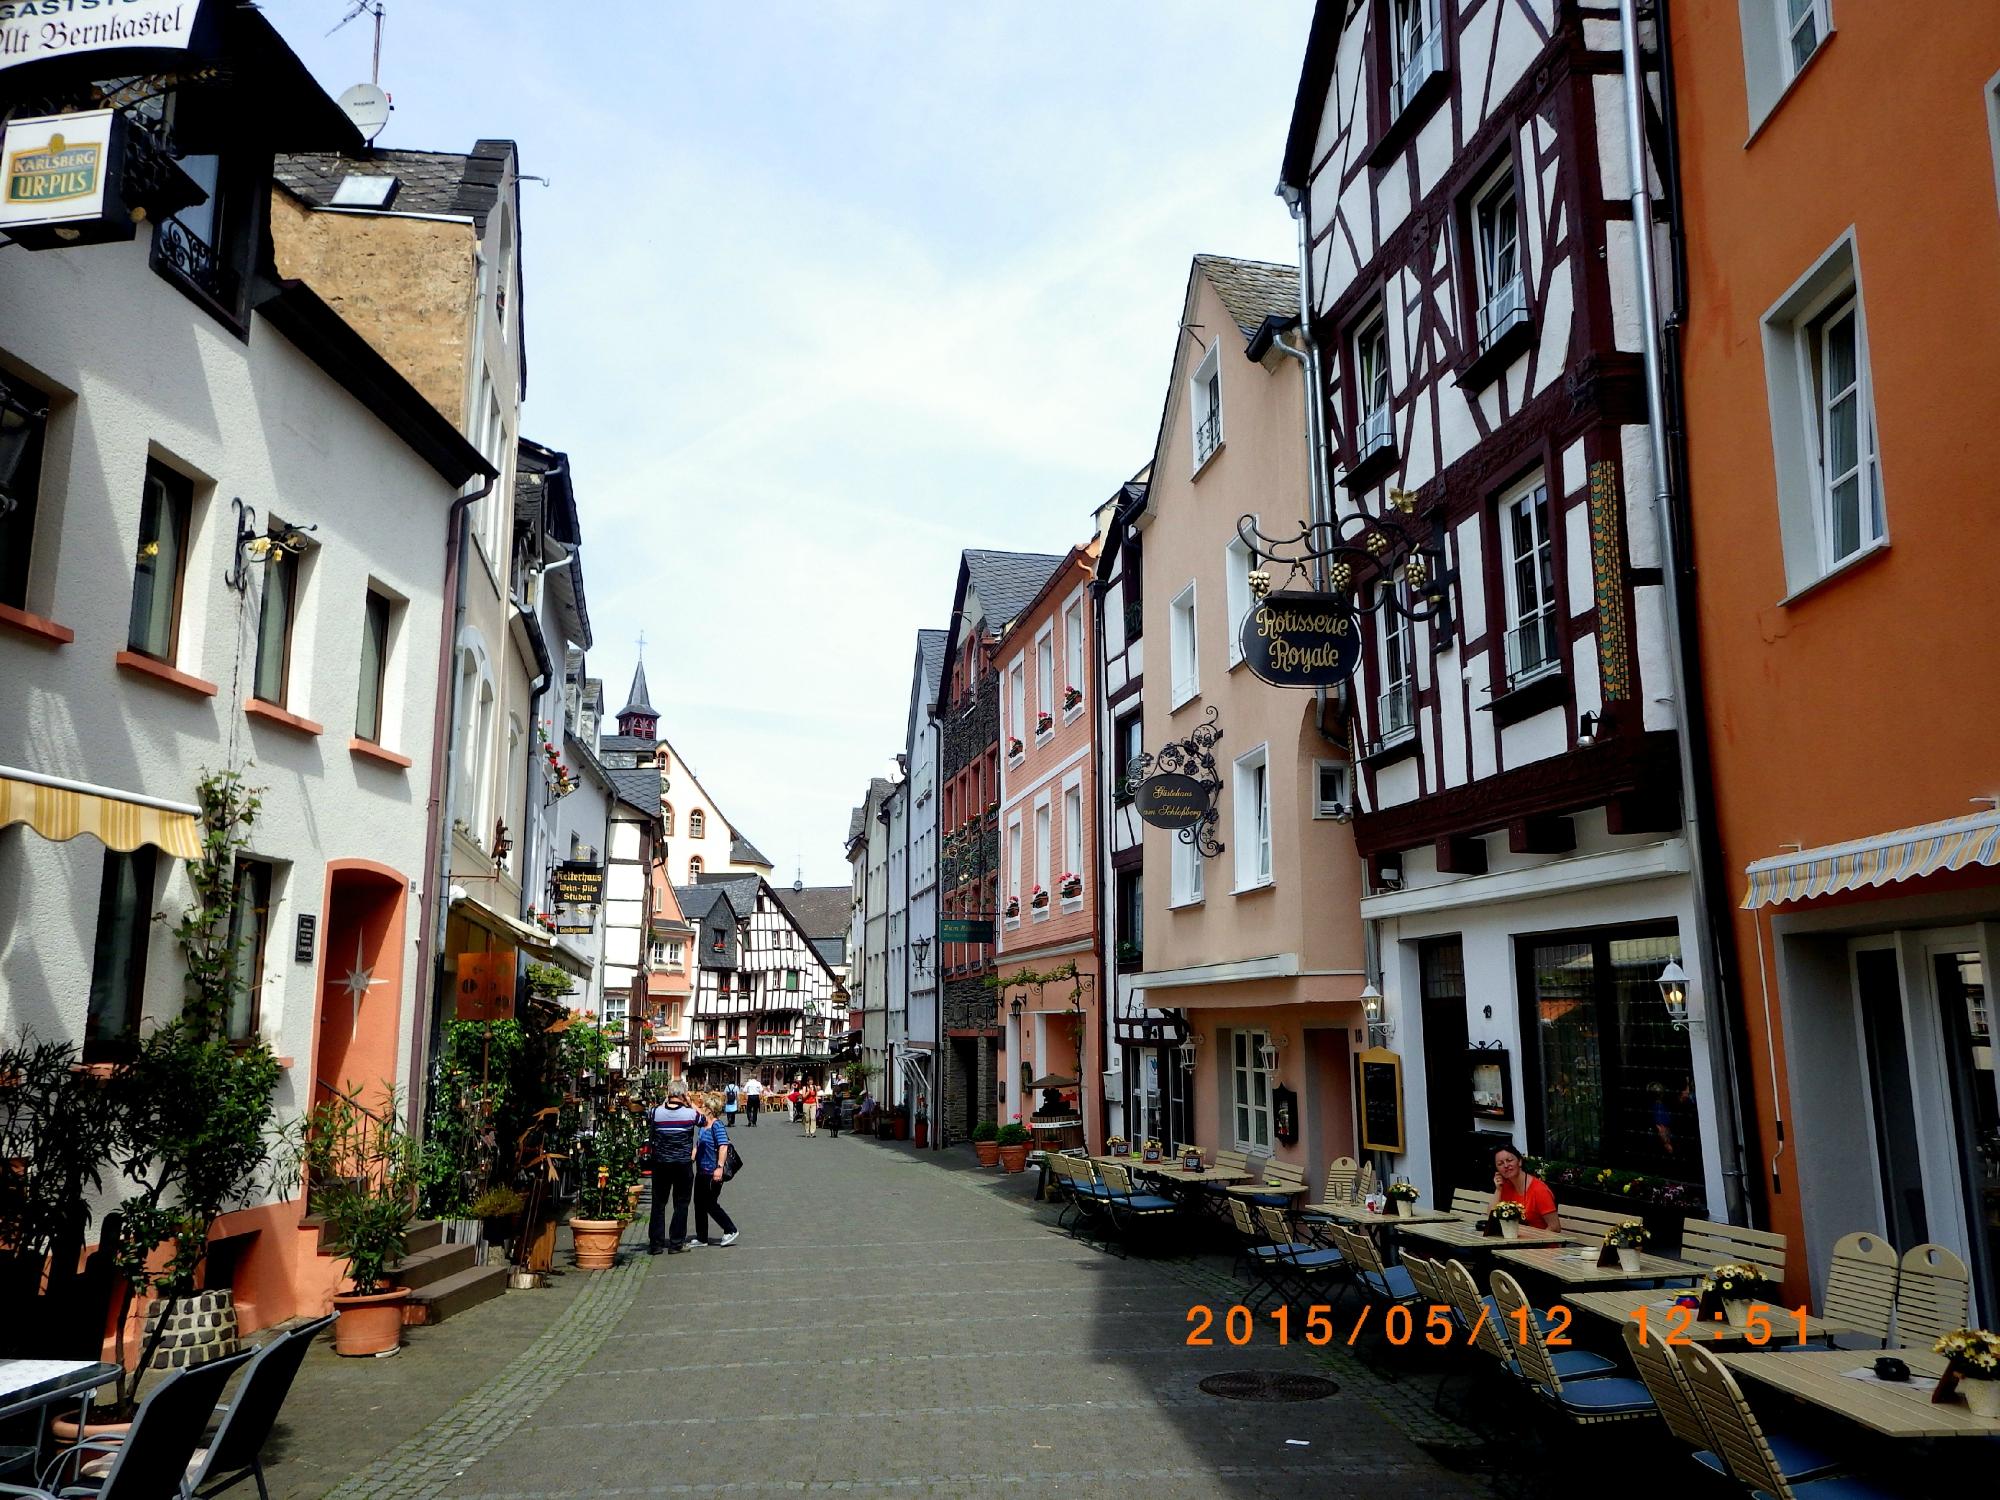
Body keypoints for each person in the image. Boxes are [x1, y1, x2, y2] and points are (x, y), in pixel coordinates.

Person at [648, 1087, 703, 1254]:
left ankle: (656, 1244)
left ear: (668, 1094)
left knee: (658, 1203)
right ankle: (676, 1242)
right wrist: (690, 1102)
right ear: (682, 1095)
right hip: (682, 1163)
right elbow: (704, 1120)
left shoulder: (655, 1112)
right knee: (681, 1203)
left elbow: (648, 1117)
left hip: (661, 1163)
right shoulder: (690, 1114)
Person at [692, 1096, 739, 1247]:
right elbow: (699, 1143)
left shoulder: (717, 1125)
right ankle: (701, 1237)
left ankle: (730, 1229)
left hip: (713, 1171)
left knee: (709, 1203)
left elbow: (723, 1146)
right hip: (701, 1170)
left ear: (710, 1110)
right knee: (699, 1203)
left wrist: (719, 1167)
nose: (702, 1108)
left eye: (704, 1107)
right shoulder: (704, 1124)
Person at [1488, 1143, 1561, 1231]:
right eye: (1500, 1164)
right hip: (1515, 1241)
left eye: (1509, 1160)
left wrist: (1535, 1243)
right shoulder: (1505, 1187)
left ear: (1520, 1162)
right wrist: (1498, 1189)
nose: (1506, 1166)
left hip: (1540, 1242)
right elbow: (1490, 1218)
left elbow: (1555, 1227)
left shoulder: (1539, 1190)